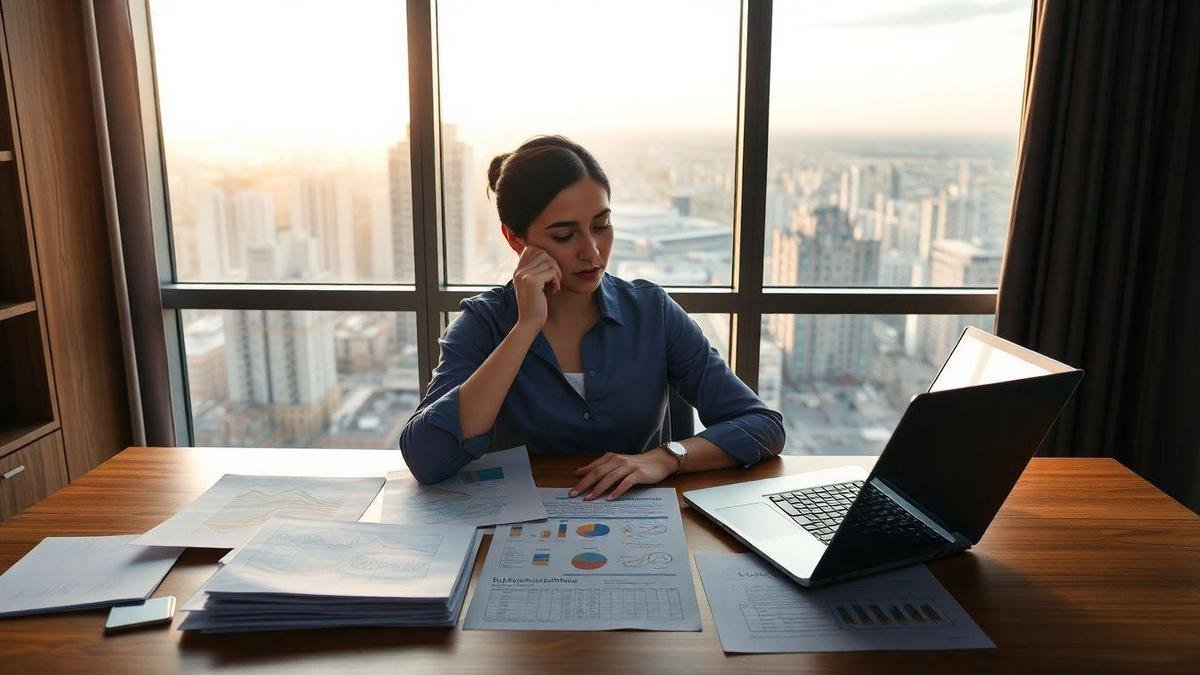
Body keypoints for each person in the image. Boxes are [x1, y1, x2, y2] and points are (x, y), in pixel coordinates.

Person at [399, 135, 784, 500]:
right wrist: (525, 327)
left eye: (601, 226)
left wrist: (665, 458)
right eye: (565, 236)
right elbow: (425, 457)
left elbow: (762, 426)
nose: (592, 252)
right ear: (516, 239)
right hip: (520, 535)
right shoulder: (482, 324)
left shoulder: (652, 312)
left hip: (640, 522)